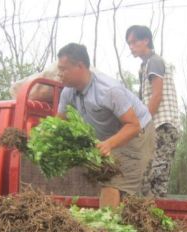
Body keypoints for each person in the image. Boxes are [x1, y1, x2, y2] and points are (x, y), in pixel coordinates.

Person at [57, 43, 154, 208]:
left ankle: (106, 231)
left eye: (63, 69)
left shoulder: (108, 90)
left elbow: (133, 125)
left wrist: (109, 144)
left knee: (112, 179)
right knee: (113, 180)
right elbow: (59, 123)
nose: (59, 74)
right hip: (111, 135)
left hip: (137, 132)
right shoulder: (68, 92)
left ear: (79, 66)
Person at [125, 25, 179, 197]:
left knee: (157, 172)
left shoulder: (154, 61)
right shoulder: (146, 65)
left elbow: (156, 96)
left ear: (146, 40)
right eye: (129, 43)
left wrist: (142, 123)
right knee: (151, 175)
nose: (131, 47)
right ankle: (151, 213)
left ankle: (154, 212)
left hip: (163, 125)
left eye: (134, 42)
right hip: (155, 126)